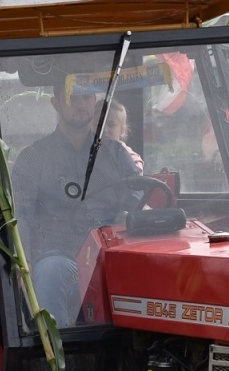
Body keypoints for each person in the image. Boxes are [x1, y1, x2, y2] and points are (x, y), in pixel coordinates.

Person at [10, 78, 142, 324]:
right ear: (56, 103)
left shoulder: (116, 156)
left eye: (87, 97)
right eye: (73, 97)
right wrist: (23, 258)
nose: (81, 104)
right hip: (60, 254)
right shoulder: (34, 159)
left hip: (110, 255)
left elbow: (135, 201)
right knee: (50, 273)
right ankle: (56, 356)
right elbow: (21, 214)